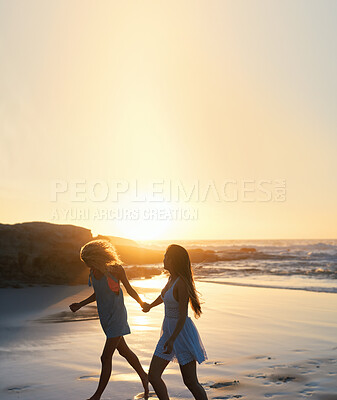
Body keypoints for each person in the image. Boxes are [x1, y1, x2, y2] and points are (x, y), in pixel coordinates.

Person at [69, 239, 149, 400]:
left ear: (97, 257)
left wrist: (142, 303)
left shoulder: (116, 270)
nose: (86, 264)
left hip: (117, 316)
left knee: (105, 357)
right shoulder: (93, 272)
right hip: (105, 317)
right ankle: (144, 376)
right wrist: (80, 304)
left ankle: (97, 396)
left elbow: (129, 288)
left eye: (88, 260)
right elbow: (98, 293)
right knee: (124, 351)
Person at [142, 244, 208, 400]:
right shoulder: (171, 278)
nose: (163, 258)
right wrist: (150, 305)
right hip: (168, 333)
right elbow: (165, 295)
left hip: (181, 334)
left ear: (173, 260)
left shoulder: (181, 283)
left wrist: (173, 339)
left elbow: (182, 316)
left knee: (190, 382)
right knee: (153, 375)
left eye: (166, 256)